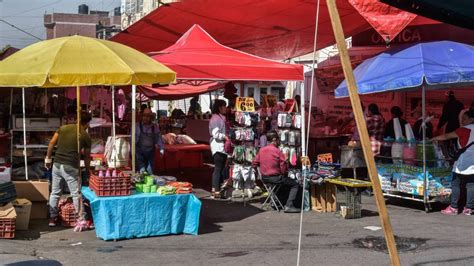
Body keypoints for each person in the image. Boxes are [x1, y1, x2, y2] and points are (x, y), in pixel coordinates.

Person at [45, 112, 92, 228]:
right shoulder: (85, 135)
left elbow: (51, 143)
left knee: (55, 192)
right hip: (70, 166)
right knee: (76, 194)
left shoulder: (63, 128)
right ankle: (81, 219)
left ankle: (52, 218)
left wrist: (48, 158)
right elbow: (86, 157)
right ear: (87, 123)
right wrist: (88, 170)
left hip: (56, 165)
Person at [432, 108, 474, 215]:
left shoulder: (464, 130)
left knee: (455, 183)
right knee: (471, 185)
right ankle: (469, 208)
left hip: (462, 162)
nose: (463, 121)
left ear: (471, 119)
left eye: (465, 119)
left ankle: (454, 207)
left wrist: (433, 139)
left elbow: (446, 136)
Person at [253, 131, 300, 213]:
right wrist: (284, 172)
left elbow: (254, 163)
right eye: (278, 140)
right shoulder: (277, 151)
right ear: (274, 140)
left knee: (282, 183)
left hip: (264, 178)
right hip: (275, 178)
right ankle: (289, 205)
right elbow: (283, 168)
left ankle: (278, 202)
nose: (279, 142)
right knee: (295, 184)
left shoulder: (262, 150)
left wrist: (259, 172)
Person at [209, 99, 229, 199]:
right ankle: (217, 191)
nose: (226, 108)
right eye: (224, 106)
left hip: (220, 146)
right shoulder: (216, 119)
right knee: (218, 169)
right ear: (219, 107)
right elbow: (215, 134)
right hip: (218, 146)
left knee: (219, 168)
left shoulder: (220, 118)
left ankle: (215, 189)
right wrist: (224, 137)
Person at [135, 108, 164, 174]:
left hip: (150, 154)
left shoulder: (155, 127)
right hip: (139, 154)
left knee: (150, 173)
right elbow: (132, 140)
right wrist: (131, 151)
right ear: (142, 116)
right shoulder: (137, 126)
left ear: (151, 117)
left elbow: (158, 138)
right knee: (141, 173)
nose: (146, 118)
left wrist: (161, 148)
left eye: (148, 116)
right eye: (144, 116)